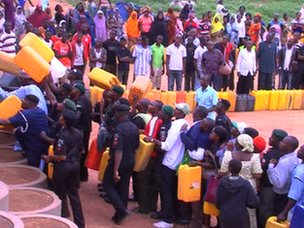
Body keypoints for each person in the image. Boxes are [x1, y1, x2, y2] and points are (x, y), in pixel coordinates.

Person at [145, 103, 190, 228]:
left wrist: (152, 140)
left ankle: (167, 220)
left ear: (181, 113)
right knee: (173, 191)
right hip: (178, 162)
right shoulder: (184, 124)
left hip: (169, 163)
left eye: (177, 109)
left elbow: (166, 146)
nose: (174, 110)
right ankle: (174, 215)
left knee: (166, 192)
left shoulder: (176, 127)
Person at [42, 109, 85, 228]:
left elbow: (61, 156)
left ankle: (61, 218)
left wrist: (50, 157)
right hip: (75, 166)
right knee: (74, 195)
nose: (59, 117)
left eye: (61, 116)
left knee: (59, 194)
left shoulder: (62, 135)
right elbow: (82, 150)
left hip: (63, 167)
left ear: (64, 121)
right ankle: (80, 224)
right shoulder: (77, 132)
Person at [103, 103, 140, 225]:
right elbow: (137, 146)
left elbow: (118, 150)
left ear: (119, 114)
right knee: (123, 187)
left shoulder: (119, 129)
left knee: (108, 185)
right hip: (130, 160)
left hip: (120, 162)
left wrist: (115, 170)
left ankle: (121, 210)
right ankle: (119, 215)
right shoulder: (134, 127)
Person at [220, 134, 263, 228]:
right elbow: (258, 175)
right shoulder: (255, 157)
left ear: (238, 145)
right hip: (249, 187)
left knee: (231, 208)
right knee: (250, 213)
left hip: (231, 185)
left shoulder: (229, 155)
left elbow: (223, 171)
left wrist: (228, 150)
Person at [0, 95, 49, 167]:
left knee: (33, 164)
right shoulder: (39, 110)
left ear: (31, 104)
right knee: (18, 131)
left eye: (24, 101)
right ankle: (27, 151)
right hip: (41, 139)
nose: (22, 101)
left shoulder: (26, 114)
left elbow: (6, 122)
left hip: (36, 144)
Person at [133, 100, 164, 214]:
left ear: (156, 109)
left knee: (142, 179)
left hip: (149, 155)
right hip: (154, 155)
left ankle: (144, 206)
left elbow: (150, 138)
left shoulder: (155, 121)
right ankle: (151, 205)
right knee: (151, 180)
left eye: (152, 105)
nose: (149, 106)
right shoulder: (155, 119)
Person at [216, 159, 260, 228]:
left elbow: (217, 201)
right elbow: (254, 202)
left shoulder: (222, 182)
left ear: (229, 169)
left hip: (225, 216)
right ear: (240, 169)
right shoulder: (245, 184)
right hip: (240, 217)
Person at [258, 129, 288, 228]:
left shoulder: (274, 154)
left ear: (278, 141)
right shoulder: (275, 151)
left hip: (269, 187)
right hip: (270, 187)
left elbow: (264, 169)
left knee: (265, 212)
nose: (269, 139)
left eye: (272, 137)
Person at [267, 136, 300, 215]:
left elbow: (279, 184)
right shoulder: (295, 157)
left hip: (281, 197)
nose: (280, 143)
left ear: (289, 148)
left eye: (283, 142)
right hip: (287, 195)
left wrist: (271, 167)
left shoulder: (284, 162)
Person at [277, 144, 304, 222]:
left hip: (297, 210)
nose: (298, 151)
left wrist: (283, 213)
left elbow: (294, 196)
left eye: (302, 151)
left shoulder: (300, 173)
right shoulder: (300, 166)